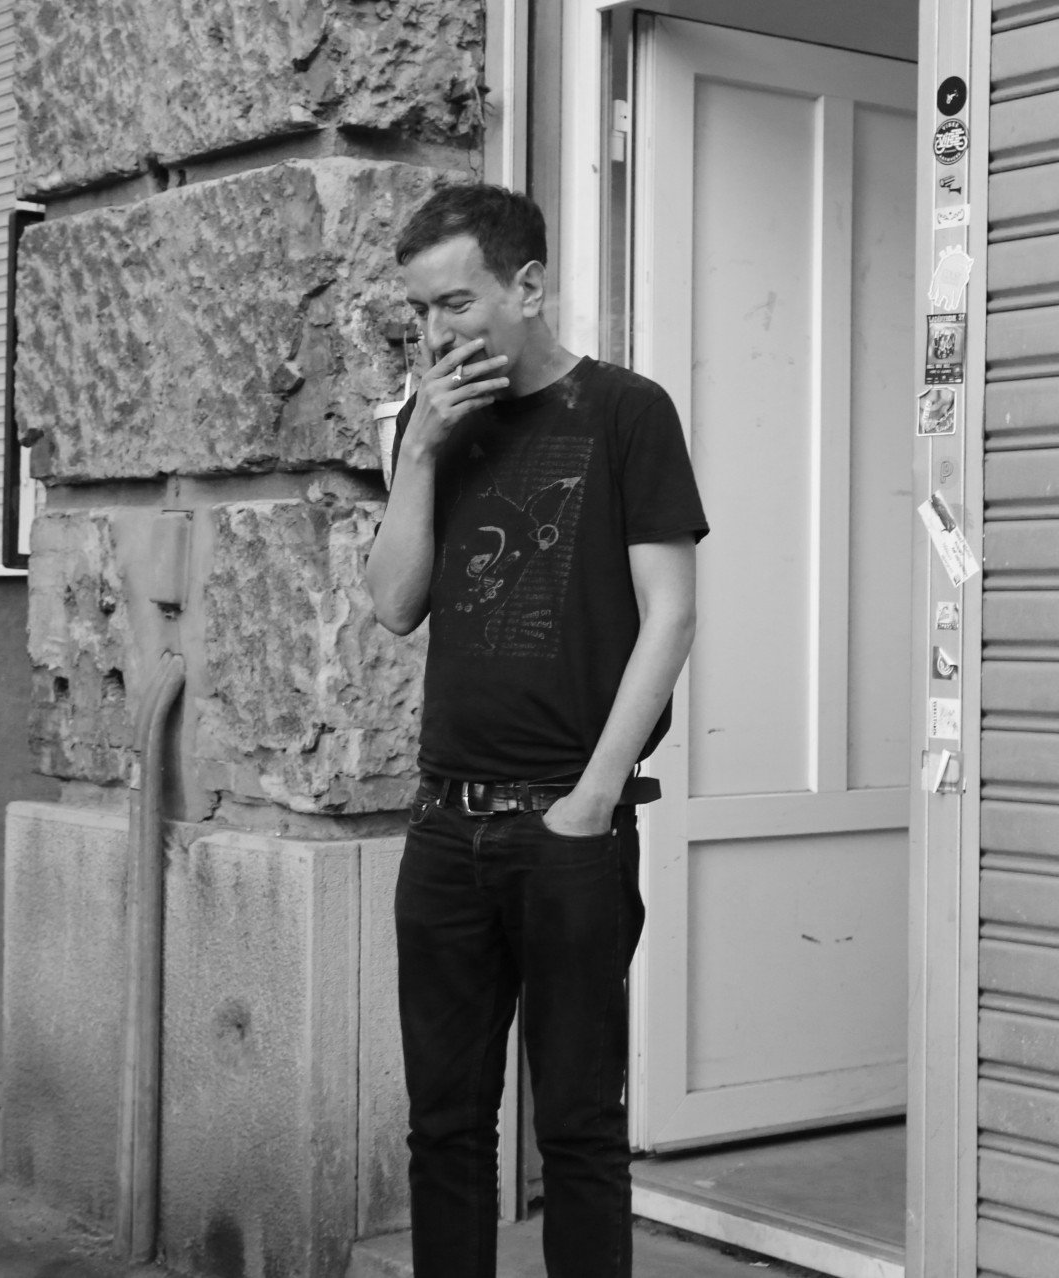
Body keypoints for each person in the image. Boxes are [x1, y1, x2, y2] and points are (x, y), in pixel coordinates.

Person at [364, 183, 708, 1277]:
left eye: (456, 304)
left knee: (580, 1134)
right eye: (420, 314)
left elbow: (673, 614)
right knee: (446, 1132)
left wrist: (593, 800)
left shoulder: (626, 413)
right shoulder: (429, 434)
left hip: (566, 830)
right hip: (444, 830)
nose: (437, 335)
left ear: (529, 285)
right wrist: (418, 452)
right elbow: (393, 603)